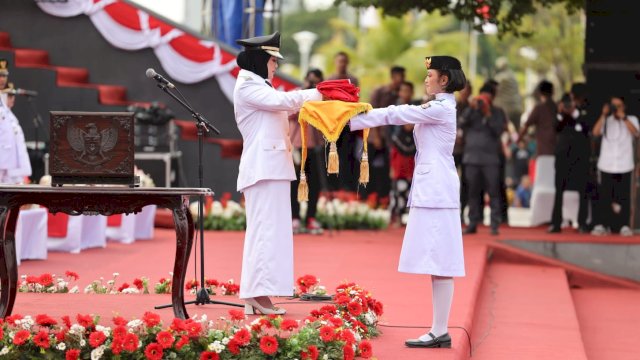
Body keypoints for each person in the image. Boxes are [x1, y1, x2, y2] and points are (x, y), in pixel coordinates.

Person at [350, 55, 466, 348]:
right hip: (433, 188)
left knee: (442, 261)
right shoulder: (440, 106)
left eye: (431, 75)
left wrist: (353, 117)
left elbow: (397, 113)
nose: (426, 79)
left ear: (445, 80)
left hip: (437, 190)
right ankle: (439, 329)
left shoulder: (440, 107)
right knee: (438, 262)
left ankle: (440, 330)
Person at [233, 32, 322, 315]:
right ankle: (256, 294)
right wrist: (321, 92)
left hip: (271, 168)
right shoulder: (249, 85)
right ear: (260, 60)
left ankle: (257, 295)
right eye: (272, 60)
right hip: (263, 170)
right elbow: (283, 102)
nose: (275, 66)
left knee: (271, 234)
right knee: (264, 233)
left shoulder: (260, 84)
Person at [459, 81, 506, 235]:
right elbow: (461, 123)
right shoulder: (471, 110)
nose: (484, 101)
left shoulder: (497, 112)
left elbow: (498, 131)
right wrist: (471, 109)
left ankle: (494, 224)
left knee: (493, 192)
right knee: (472, 192)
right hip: (471, 158)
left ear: (492, 98)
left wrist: (488, 114)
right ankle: (472, 222)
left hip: (490, 159)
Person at [590, 96, 638, 236]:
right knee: (605, 196)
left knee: (624, 197)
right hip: (607, 164)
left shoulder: (632, 119)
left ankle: (623, 225)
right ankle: (602, 224)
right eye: (613, 106)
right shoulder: (607, 120)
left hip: (624, 164)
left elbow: (635, 132)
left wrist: (623, 117)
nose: (616, 109)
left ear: (624, 107)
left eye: (619, 106)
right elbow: (595, 132)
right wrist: (604, 114)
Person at [548, 84, 591, 233]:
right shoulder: (560, 115)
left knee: (583, 190)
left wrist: (574, 113)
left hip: (580, 156)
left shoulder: (584, 112)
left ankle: (582, 223)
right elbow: (555, 127)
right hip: (562, 156)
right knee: (559, 189)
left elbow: (587, 128)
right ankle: (556, 223)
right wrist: (562, 113)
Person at [289, 69, 324, 235]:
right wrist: (305, 98)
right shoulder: (296, 94)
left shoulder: (321, 98)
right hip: (297, 145)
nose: (312, 84)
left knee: (314, 184)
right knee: (295, 183)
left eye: (315, 82)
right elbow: (288, 113)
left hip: (314, 146)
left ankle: (311, 217)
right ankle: (294, 218)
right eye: (310, 81)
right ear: (304, 80)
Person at [366, 66, 406, 206]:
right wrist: (376, 136)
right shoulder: (379, 92)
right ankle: (369, 199)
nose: (401, 80)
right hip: (374, 138)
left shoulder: (400, 95)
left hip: (390, 140)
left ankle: (384, 200)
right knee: (369, 169)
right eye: (398, 77)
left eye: (403, 77)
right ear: (393, 77)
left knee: (386, 171)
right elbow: (372, 114)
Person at [327, 52, 360, 192]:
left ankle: (346, 187)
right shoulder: (329, 80)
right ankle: (331, 186)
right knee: (331, 154)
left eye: (344, 61)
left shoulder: (353, 80)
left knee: (347, 155)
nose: (342, 64)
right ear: (335, 62)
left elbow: (356, 100)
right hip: (332, 124)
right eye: (339, 61)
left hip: (348, 124)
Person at [389, 81, 417, 225]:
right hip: (398, 151)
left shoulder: (416, 108)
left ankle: (410, 218)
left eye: (408, 91)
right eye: (403, 90)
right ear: (399, 92)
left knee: (411, 185)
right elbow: (389, 132)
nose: (406, 94)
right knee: (397, 185)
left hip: (413, 151)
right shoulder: (394, 109)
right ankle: (396, 216)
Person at [0, 83, 32, 184]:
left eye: (13, 95)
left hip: (13, 165)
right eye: (9, 95)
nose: (12, 98)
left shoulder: (10, 116)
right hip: (3, 165)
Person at [519, 80, 557, 157]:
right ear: (553, 92)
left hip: (543, 152)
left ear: (540, 93)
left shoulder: (539, 108)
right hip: (558, 151)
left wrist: (519, 139)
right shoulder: (558, 107)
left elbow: (526, 126)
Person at [493, 57, 523, 130]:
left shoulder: (499, 78)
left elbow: (493, 90)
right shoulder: (514, 76)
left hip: (504, 109)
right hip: (517, 107)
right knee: (518, 131)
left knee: (500, 131)